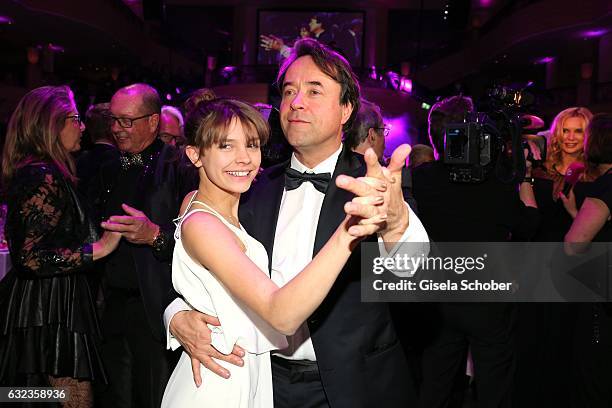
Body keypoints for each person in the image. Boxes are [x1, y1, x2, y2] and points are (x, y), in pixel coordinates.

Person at [165, 38, 429, 408]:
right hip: (261, 381)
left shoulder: (374, 186)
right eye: (289, 91)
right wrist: (176, 315)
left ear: (346, 110)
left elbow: (416, 280)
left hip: (356, 387)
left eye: (314, 91)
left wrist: (398, 226)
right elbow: (199, 265)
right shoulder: (249, 186)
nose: (296, 102)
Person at [412, 95, 539, 408]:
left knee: (435, 385)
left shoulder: (423, 178)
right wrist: (525, 178)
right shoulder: (494, 180)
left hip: (439, 295)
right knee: (494, 388)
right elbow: (529, 224)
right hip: (486, 298)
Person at [0, 85, 121, 407]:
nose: (81, 127)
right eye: (74, 118)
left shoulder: (43, 172)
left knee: (37, 396)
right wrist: (98, 248)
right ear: (50, 123)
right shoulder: (42, 175)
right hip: (49, 307)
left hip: (50, 302)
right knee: (68, 399)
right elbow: (29, 257)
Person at [95, 83, 198, 407]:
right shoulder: (106, 167)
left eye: (126, 121)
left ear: (153, 121)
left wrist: (154, 235)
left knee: (152, 397)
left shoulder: (180, 168)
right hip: (109, 305)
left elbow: (198, 244)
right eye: (113, 120)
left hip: (156, 308)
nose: (116, 128)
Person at [562, 113, 612, 408]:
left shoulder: (604, 188)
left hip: (600, 298)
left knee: (594, 371)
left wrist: (572, 213)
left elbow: (574, 245)